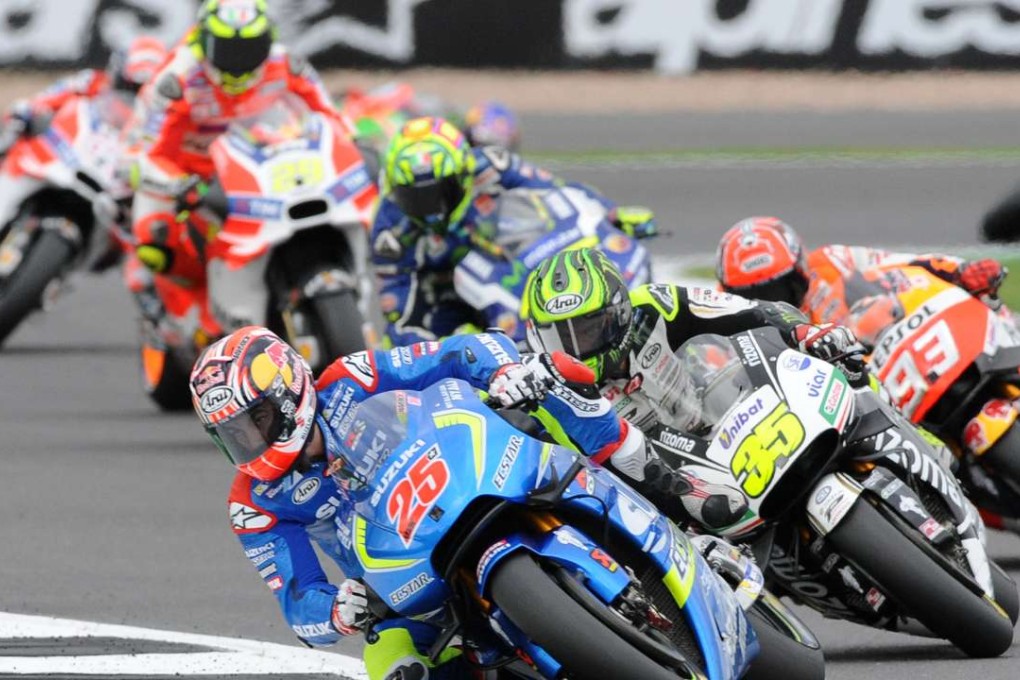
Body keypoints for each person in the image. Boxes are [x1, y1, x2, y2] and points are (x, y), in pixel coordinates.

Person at [192, 325, 737, 679]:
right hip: (404, 589)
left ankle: (678, 504)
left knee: (550, 401)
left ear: (288, 391)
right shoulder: (255, 504)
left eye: (255, 420)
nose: (250, 441)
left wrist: (504, 372)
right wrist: (337, 609)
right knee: (393, 669)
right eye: (233, 434)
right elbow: (298, 604)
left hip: (468, 482)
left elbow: (456, 352)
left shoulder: (350, 379)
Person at [520, 248, 868, 469]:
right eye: (560, 336)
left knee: (848, 401)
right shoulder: (551, 392)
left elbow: (752, 310)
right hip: (671, 489)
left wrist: (804, 332)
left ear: (619, 312)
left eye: (587, 330)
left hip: (721, 423)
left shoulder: (654, 304)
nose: (577, 347)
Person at [130, 0, 351, 331]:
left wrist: (353, 146)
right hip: (195, 178)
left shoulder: (287, 64)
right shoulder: (176, 79)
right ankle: (182, 320)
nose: (240, 61)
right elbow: (145, 151)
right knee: (155, 244)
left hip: (262, 168)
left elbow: (330, 117)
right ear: (203, 42)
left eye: (251, 47)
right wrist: (177, 184)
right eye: (227, 49)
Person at [371, 116, 656, 346]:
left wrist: (611, 213)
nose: (431, 208)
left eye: (440, 191)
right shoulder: (390, 228)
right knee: (408, 341)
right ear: (395, 190)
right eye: (416, 198)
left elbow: (556, 189)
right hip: (447, 286)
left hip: (506, 255)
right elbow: (397, 306)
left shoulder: (491, 164)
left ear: (463, 172)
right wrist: (426, 341)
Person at [714, 216, 1007, 340]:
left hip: (890, 355)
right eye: (758, 295)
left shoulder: (831, 261)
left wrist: (960, 271)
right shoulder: (719, 317)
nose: (773, 301)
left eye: (781, 287)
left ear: (801, 269)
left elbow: (902, 264)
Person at [0, 36, 167, 157]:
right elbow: (43, 100)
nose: (137, 94)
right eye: (131, 87)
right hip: (75, 154)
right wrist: (26, 112)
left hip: (126, 165)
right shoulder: (91, 81)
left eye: (144, 87)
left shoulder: (170, 107)